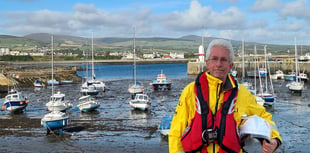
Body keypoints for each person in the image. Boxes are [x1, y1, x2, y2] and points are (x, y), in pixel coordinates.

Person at [168, 39, 282, 153]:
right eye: (214, 59)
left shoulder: (243, 93)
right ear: (207, 62)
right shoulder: (190, 91)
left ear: (230, 65)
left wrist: (274, 139)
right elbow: (176, 131)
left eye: (224, 60)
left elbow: (264, 117)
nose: (218, 64)